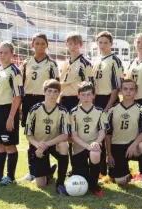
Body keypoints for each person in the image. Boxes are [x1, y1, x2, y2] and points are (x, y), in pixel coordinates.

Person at [19, 33, 59, 182]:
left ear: (47, 45)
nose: (40, 46)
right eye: (37, 43)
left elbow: (56, 86)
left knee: (45, 135)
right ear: (32, 45)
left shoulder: (51, 64)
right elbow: (21, 85)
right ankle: (33, 171)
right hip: (28, 101)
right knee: (31, 137)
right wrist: (20, 107)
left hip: (45, 100)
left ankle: (45, 170)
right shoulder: (25, 63)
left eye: (43, 43)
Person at [105, 79, 142, 194]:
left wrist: (134, 144)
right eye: (125, 89)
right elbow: (108, 134)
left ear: (136, 91)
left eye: (131, 89)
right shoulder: (112, 110)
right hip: (117, 146)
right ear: (120, 91)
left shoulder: (141, 110)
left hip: (133, 145)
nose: (128, 92)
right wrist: (109, 153)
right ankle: (127, 173)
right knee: (121, 182)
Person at [0, 42, 23, 185]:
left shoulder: (14, 71)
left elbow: (17, 96)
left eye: (6, 52)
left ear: (12, 54)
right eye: (0, 52)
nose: (2, 55)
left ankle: (11, 177)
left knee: (9, 145)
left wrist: (11, 117)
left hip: (8, 111)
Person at [24, 79, 70, 195]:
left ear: (59, 94)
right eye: (49, 91)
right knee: (40, 184)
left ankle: (60, 183)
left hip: (53, 144)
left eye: (55, 92)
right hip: (38, 144)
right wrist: (37, 145)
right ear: (44, 92)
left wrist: (46, 145)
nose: (52, 94)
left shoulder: (63, 111)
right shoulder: (34, 109)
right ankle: (48, 172)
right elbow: (28, 134)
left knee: (64, 145)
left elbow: (65, 135)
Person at [59, 32, 94, 177]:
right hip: (64, 101)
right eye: (69, 43)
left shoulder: (85, 64)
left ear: (81, 45)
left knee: (76, 136)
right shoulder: (65, 63)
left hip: (76, 101)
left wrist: (80, 105)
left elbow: (90, 87)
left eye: (75, 43)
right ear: (66, 45)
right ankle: (69, 168)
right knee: (65, 136)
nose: (72, 46)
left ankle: (79, 168)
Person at [92, 31, 124, 181]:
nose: (103, 45)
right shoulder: (96, 61)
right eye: (100, 42)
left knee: (110, 136)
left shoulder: (114, 60)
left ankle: (113, 170)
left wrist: (108, 106)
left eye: (106, 42)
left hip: (109, 100)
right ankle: (100, 171)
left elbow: (116, 87)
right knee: (99, 134)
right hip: (96, 100)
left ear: (111, 44)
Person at [70, 81, 106, 196]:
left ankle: (94, 184)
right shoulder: (73, 112)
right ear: (78, 95)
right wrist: (87, 146)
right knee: (82, 179)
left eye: (89, 94)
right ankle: (87, 178)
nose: (86, 97)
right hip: (79, 148)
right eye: (83, 94)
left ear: (94, 95)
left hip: (94, 146)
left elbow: (102, 131)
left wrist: (97, 142)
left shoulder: (100, 111)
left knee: (95, 153)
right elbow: (74, 136)